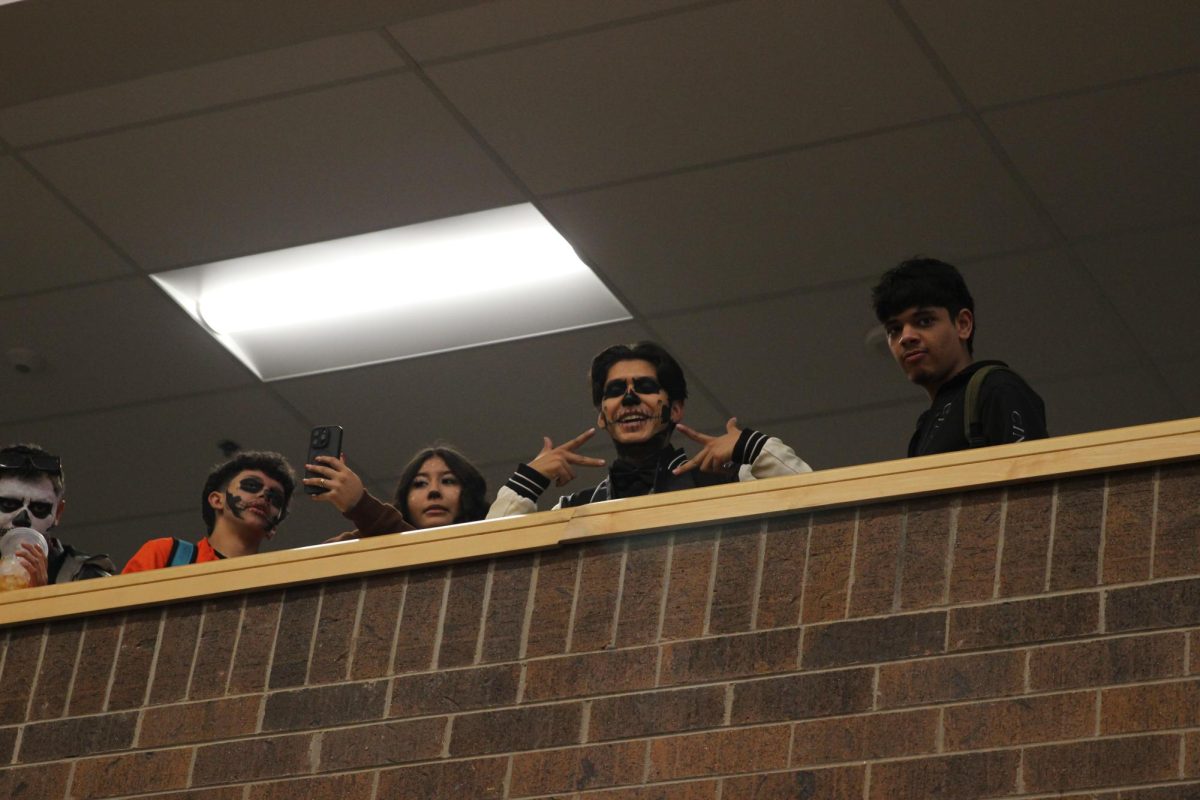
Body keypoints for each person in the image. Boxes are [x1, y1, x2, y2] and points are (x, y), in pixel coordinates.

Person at [488, 341, 811, 516]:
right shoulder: (575, 509)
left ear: (675, 408)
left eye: (644, 386)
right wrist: (526, 483)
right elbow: (484, 565)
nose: (629, 398)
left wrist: (754, 448)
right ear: (602, 415)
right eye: (615, 391)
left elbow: (821, 506)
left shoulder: (727, 481)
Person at [871, 257, 1048, 456]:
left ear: (963, 324)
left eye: (924, 321)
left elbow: (1032, 481)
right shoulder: (925, 427)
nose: (906, 337)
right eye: (894, 330)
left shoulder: (997, 388)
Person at [122, 450, 295, 573]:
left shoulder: (274, 578)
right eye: (251, 486)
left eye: (276, 498)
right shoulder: (167, 554)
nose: (264, 495)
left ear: (273, 528)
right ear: (216, 500)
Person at [305, 445, 488, 538]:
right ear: (404, 499)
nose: (434, 491)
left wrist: (360, 504)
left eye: (448, 481)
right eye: (420, 483)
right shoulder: (361, 543)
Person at [0, 443, 115, 585]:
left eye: (39, 508)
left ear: (58, 513)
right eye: (9, 504)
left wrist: (42, 597)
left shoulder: (87, 578)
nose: (23, 520)